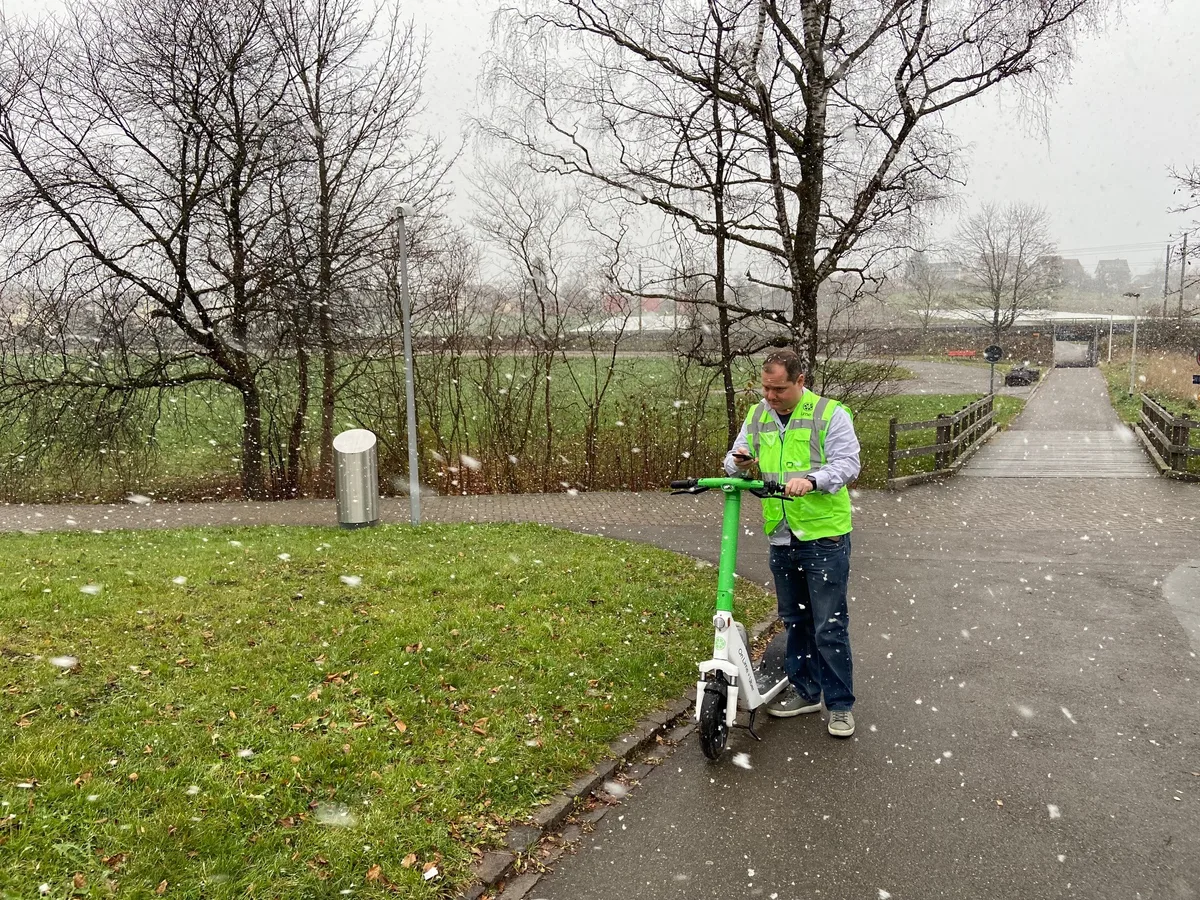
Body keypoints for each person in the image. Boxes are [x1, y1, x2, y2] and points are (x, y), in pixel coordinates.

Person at [724, 348, 861, 737]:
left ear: (800, 382)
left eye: (779, 389)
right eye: (766, 388)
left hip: (823, 535)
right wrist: (741, 463)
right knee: (796, 620)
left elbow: (848, 463)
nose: (770, 396)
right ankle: (806, 691)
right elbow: (731, 462)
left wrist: (814, 480)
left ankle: (839, 706)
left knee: (829, 625)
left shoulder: (830, 414)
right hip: (781, 536)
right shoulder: (757, 416)